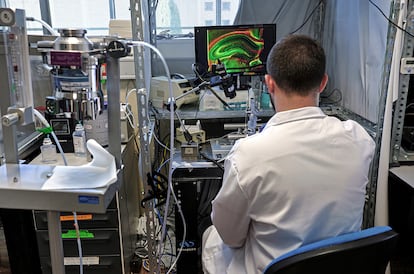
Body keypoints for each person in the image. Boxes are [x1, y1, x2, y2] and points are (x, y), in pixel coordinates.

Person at [201, 34, 376, 274]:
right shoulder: (360, 139)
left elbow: (230, 236)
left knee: (211, 238)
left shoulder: (248, 155)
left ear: (269, 83)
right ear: (323, 83)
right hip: (338, 266)